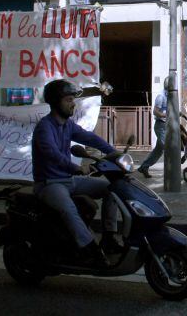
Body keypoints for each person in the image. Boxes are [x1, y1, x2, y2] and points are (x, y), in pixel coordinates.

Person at [32, 79, 122, 266]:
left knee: (113, 189)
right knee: (68, 208)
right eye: (68, 100)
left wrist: (113, 153)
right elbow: (52, 155)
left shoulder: (68, 125)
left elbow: (89, 138)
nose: (73, 103)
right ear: (56, 102)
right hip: (49, 184)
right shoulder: (44, 127)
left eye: (73, 99)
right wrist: (77, 168)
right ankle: (89, 249)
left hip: (68, 180)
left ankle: (109, 237)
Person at [138, 79, 167, 178]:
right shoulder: (161, 96)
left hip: (167, 125)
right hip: (160, 125)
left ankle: (144, 167)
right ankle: (171, 171)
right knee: (166, 146)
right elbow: (155, 112)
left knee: (159, 150)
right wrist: (165, 115)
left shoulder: (171, 96)